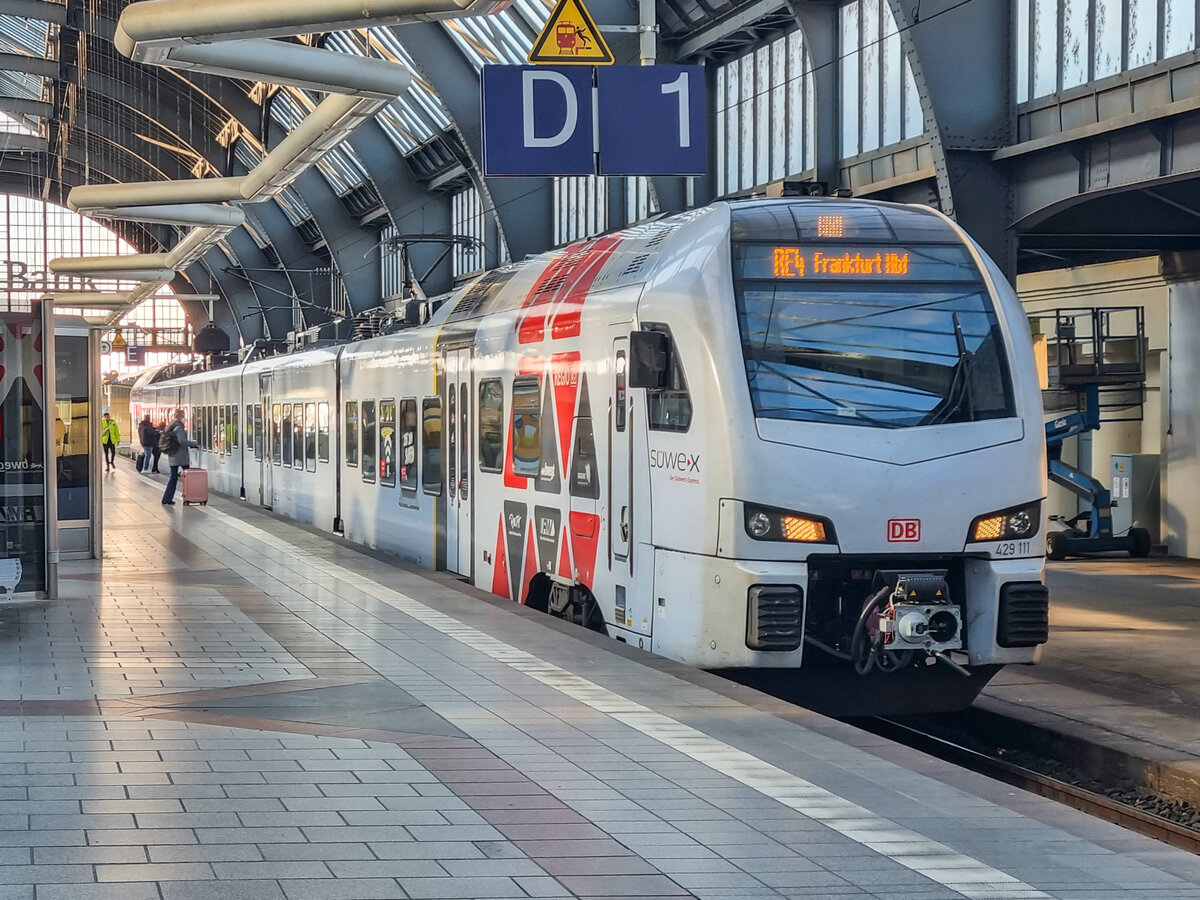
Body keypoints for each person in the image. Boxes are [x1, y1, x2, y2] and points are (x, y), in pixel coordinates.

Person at [160, 409, 198, 506]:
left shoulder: (170, 426)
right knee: (188, 476)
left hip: (172, 455)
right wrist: (194, 444)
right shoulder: (179, 428)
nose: (185, 419)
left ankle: (167, 498)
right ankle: (190, 497)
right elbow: (182, 441)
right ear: (181, 416)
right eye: (184, 416)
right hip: (180, 456)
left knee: (173, 477)